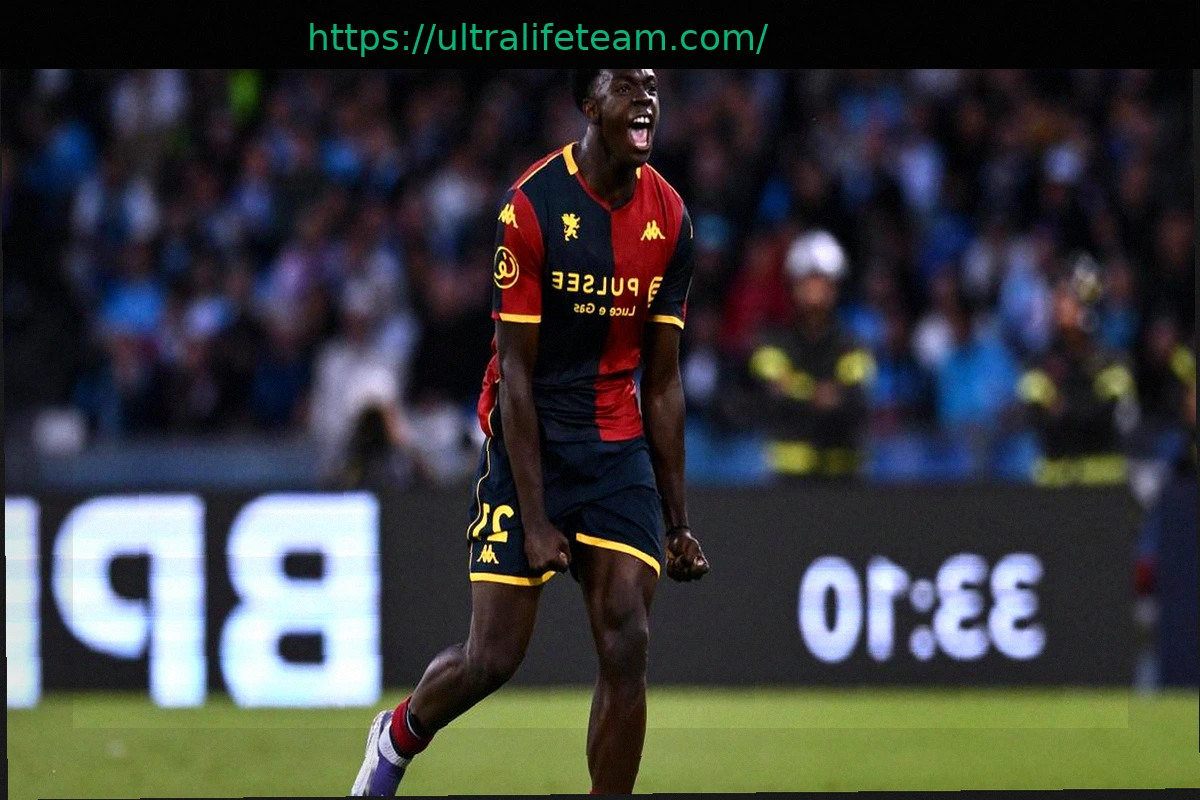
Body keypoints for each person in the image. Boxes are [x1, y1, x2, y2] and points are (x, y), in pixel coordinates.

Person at [351, 68, 709, 796]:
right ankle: (397, 736)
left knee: (627, 637)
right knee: (493, 657)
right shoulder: (532, 205)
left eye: (651, 87)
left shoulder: (670, 218)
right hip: (531, 438)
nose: (645, 98)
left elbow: (663, 380)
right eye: (626, 87)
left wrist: (678, 522)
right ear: (589, 106)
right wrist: (538, 520)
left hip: (615, 443)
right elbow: (515, 375)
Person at [745, 229, 875, 479]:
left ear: (836, 288)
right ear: (793, 286)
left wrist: (798, 389)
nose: (815, 290)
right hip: (787, 479)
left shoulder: (854, 345)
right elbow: (773, 396)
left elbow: (854, 400)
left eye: (823, 281)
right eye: (807, 281)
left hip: (844, 478)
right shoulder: (772, 345)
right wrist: (824, 393)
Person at [1017, 253, 1138, 486]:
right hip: (1056, 484)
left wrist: (1060, 406)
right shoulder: (1039, 363)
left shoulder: (1113, 362)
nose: (1059, 306)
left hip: (1103, 483)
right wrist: (1082, 404)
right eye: (1057, 298)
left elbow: (1108, 417)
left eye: (1068, 299)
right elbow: (1034, 417)